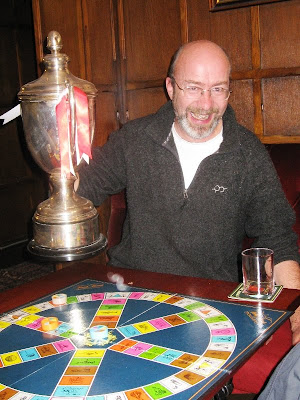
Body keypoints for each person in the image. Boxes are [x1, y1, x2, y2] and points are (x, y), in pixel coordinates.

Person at [77, 40, 300, 393]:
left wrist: (297, 315)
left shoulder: (247, 153)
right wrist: (59, 163)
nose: (206, 105)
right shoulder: (134, 140)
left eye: (218, 90)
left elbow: (278, 236)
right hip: (129, 296)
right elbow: (80, 192)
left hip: (208, 309)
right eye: (193, 88)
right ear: (170, 88)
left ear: (229, 91)